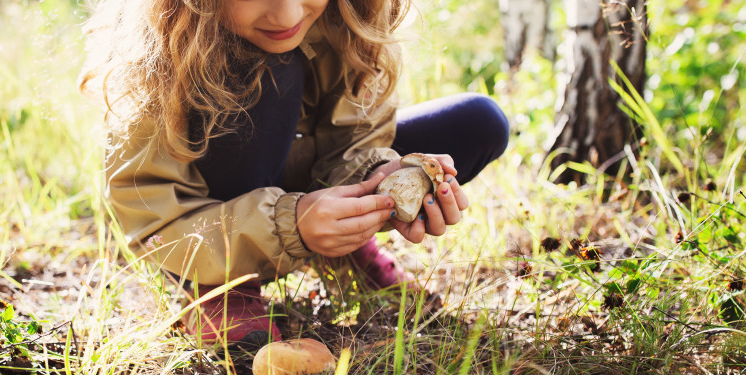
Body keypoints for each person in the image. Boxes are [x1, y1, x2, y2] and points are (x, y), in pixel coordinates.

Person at [79, 0, 509, 351]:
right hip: (213, 229)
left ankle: (345, 246)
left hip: (301, 179)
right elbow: (156, 221)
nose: (286, 16)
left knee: (477, 123)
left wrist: (376, 180)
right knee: (269, 67)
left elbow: (355, 137)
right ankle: (224, 289)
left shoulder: (350, 16)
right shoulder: (157, 55)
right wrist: (291, 223)